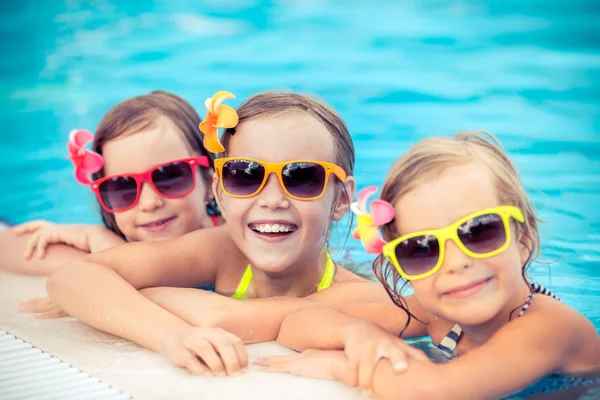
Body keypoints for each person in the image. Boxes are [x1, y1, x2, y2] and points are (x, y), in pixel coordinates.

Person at [258, 131, 600, 399]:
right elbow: (297, 323)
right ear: (401, 267)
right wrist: (356, 334)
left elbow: (431, 392)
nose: (455, 264)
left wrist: (344, 366)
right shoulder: (439, 316)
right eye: (421, 249)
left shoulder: (550, 328)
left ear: (523, 240)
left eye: (479, 231)